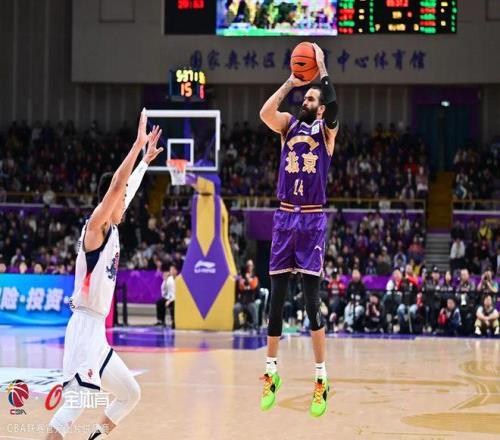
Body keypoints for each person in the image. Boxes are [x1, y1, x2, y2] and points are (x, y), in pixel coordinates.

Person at [46, 111, 163, 440]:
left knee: (130, 393)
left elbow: (127, 188)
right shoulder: (95, 229)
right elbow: (118, 186)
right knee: (74, 406)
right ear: (110, 200)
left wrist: (144, 163)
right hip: (84, 328)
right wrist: (136, 146)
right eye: (120, 198)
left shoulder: (113, 225)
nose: (125, 201)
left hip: (97, 333)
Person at [259, 43, 339, 417]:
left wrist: (321, 68)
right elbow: (264, 113)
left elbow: (334, 107)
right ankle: (271, 372)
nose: (304, 100)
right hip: (284, 217)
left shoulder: (326, 131)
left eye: (310, 97)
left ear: (320, 108)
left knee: (310, 301)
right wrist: (290, 82)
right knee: (276, 298)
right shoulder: (288, 126)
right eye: (304, 97)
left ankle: (321, 378)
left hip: (311, 219)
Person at [233, 260, 259, 331]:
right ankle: (240, 325)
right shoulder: (241, 277)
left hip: (250, 302)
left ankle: (255, 326)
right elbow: (239, 288)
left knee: (254, 309)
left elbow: (255, 288)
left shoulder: (255, 278)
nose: (249, 267)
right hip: (242, 302)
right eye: (248, 265)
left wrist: (249, 279)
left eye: (251, 265)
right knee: (236, 308)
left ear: (253, 267)